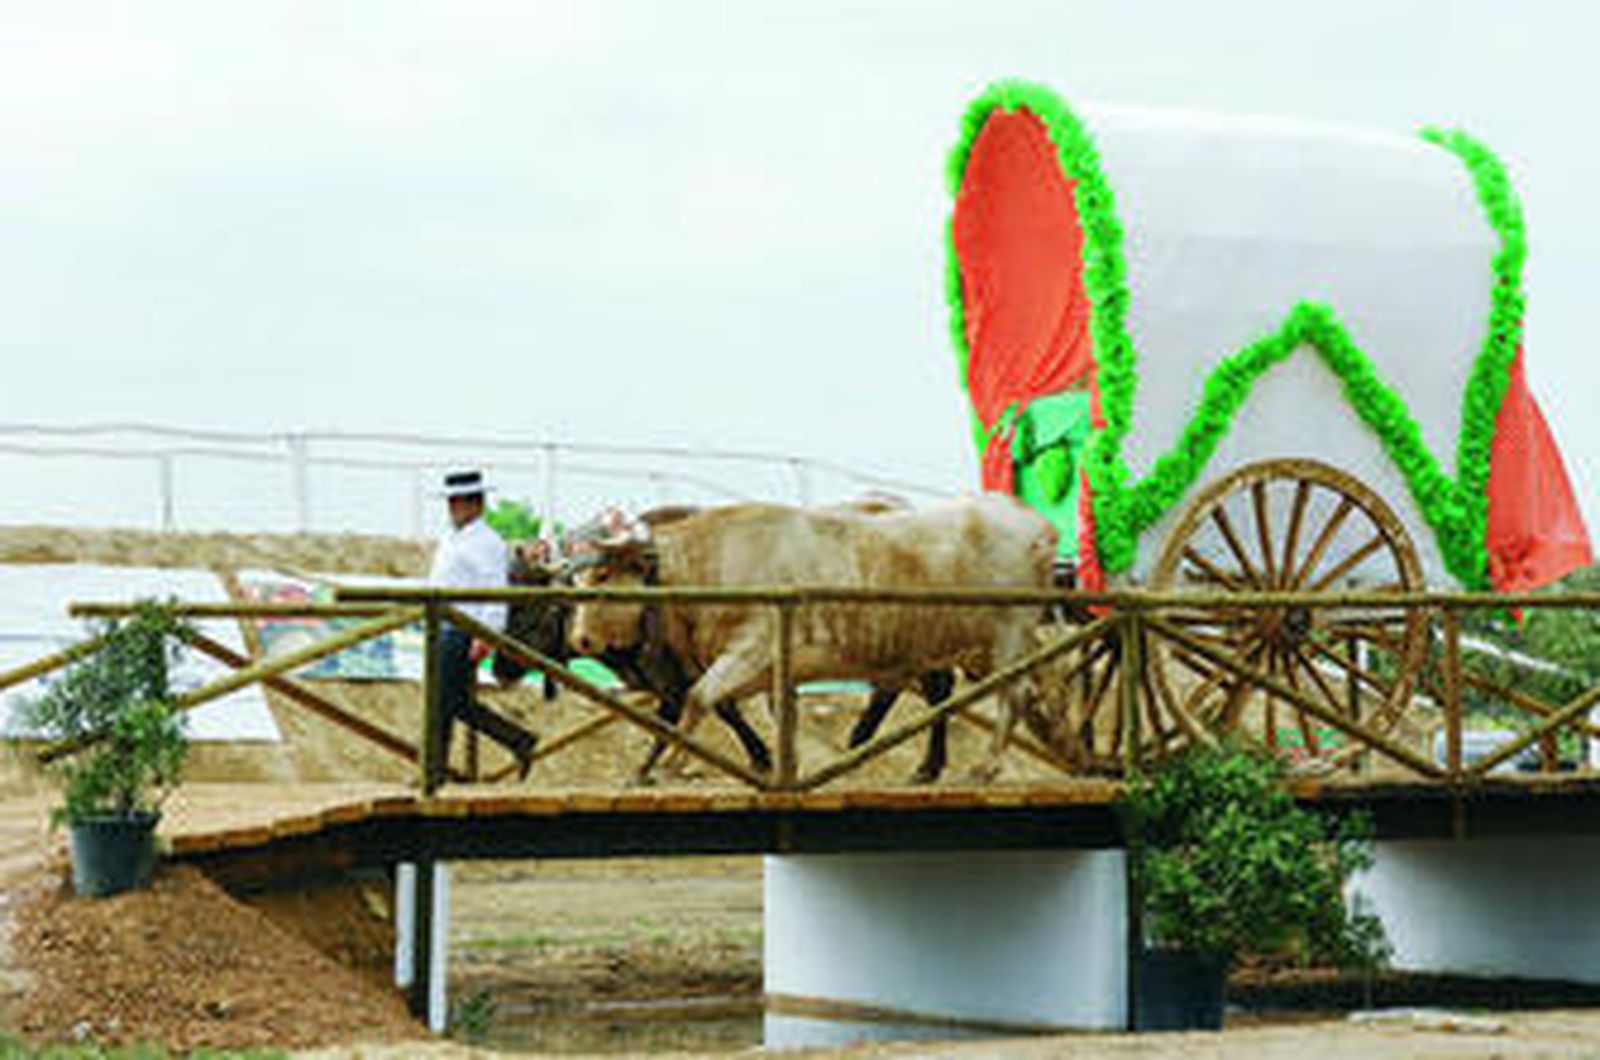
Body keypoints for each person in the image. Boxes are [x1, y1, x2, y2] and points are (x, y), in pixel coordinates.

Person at [428, 468, 539, 778]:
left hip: (463, 628)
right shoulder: (451, 538)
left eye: (459, 502)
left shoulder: (487, 542)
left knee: (442, 702)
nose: (453, 508)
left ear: (476, 504)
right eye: (452, 502)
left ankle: (434, 771)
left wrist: (486, 635)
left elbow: (495, 592)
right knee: (455, 702)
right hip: (445, 624)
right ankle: (518, 740)